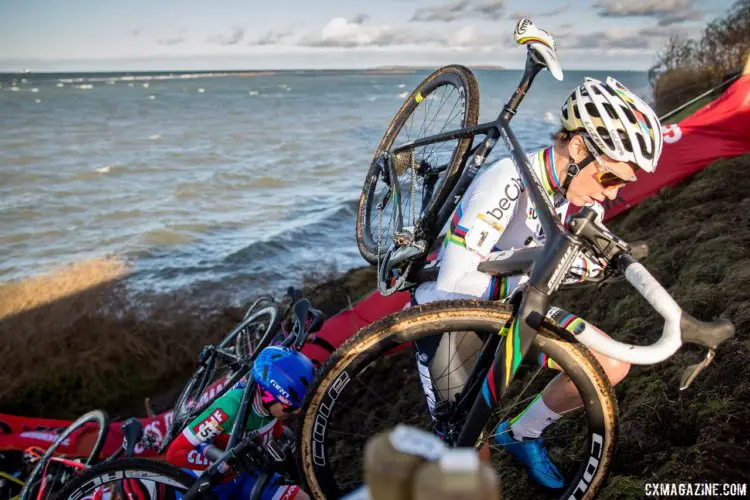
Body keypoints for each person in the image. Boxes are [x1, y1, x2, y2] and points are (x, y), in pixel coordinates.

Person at [412, 76, 664, 489]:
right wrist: (540, 275)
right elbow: (453, 281)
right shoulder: (508, 179)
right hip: (451, 321)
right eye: (610, 178)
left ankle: (523, 433)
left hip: (515, 314)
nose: (612, 194)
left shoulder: (578, 200)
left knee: (613, 362)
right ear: (579, 148)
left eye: (622, 184)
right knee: (473, 464)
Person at [166, 346, 315, 500]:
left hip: (247, 477)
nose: (296, 412)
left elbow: (270, 427)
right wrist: (223, 464)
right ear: (269, 396)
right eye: (290, 408)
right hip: (206, 486)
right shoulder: (229, 408)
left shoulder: (268, 406)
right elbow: (175, 453)